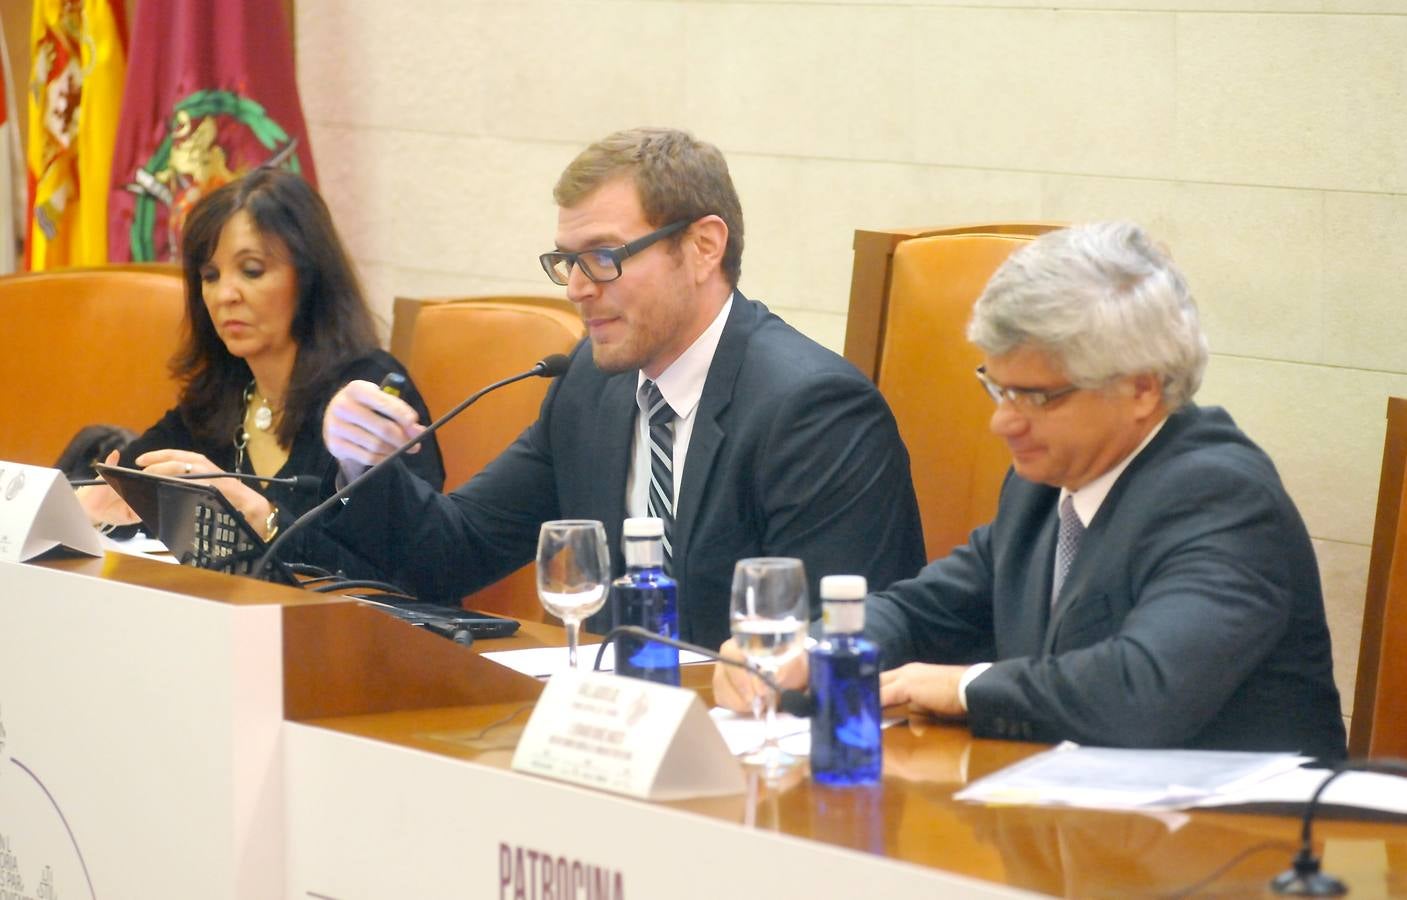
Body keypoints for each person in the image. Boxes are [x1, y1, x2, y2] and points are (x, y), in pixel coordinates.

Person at [716, 221, 1347, 759]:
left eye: (1037, 397)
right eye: (999, 387)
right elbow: (924, 610)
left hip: (1243, 850)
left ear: (1142, 388)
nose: (1003, 422)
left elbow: (1142, 691)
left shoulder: (1221, 497)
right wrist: (811, 650)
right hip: (1081, 833)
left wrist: (966, 688)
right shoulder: (1043, 487)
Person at [319, 127, 925, 648]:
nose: (576, 289)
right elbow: (454, 551)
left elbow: (838, 642)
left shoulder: (812, 409)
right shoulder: (591, 385)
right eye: (566, 261)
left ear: (703, 247)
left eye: (603, 256)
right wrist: (360, 461)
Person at [78, 167, 445, 578]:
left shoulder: (368, 394)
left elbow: (411, 573)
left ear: (308, 278)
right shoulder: (223, 395)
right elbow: (126, 477)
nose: (225, 295)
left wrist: (263, 520)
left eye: (251, 271)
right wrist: (91, 508)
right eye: (210, 276)